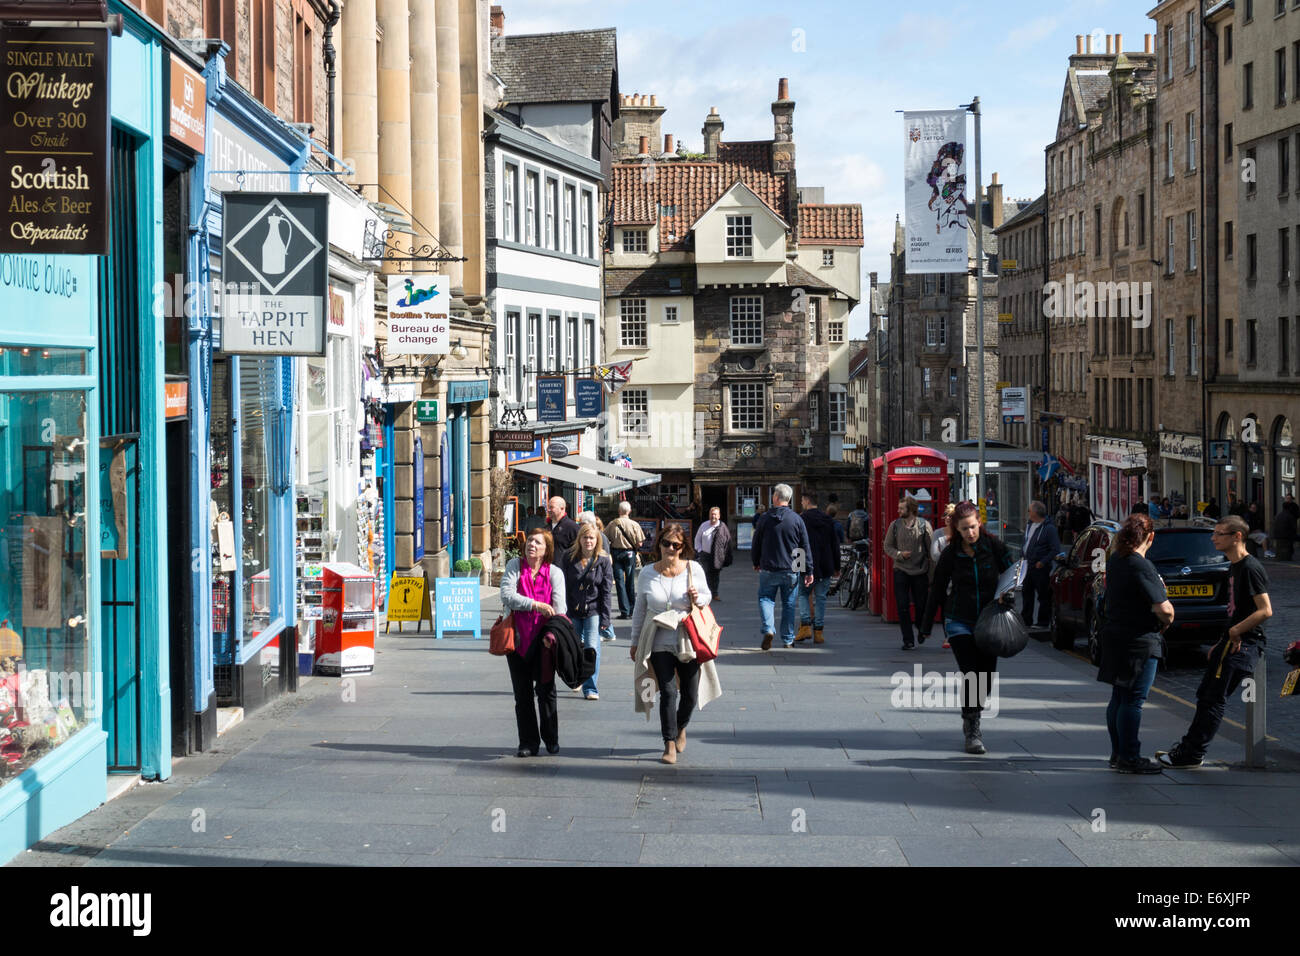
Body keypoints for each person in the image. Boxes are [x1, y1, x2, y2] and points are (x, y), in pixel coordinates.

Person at [1158, 516, 1273, 768]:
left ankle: (1191, 754)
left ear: (1237, 536)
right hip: (1230, 641)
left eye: (1220, 534)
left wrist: (1235, 633)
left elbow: (1265, 610)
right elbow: (1235, 610)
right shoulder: (1234, 566)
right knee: (1207, 696)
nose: (1213, 538)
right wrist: (1221, 640)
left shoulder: (1250, 567)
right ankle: (1189, 749)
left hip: (1243, 643)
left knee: (1212, 699)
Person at [919, 502, 1012, 755]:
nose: (970, 533)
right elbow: (937, 588)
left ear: (979, 522)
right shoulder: (951, 554)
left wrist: (1008, 594)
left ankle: (973, 713)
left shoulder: (994, 547)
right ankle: (973, 728)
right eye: (964, 529)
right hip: (959, 618)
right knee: (971, 672)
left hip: (989, 619)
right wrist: (926, 625)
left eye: (973, 527)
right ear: (956, 529)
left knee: (986, 676)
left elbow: (1013, 573)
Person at [629, 524, 717, 765]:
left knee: (690, 693)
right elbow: (640, 609)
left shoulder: (693, 569)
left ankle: (681, 727)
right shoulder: (647, 572)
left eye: (676, 545)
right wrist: (635, 641)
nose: (670, 548)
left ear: (682, 548)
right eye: (666, 543)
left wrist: (697, 598)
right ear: (659, 545)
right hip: (658, 639)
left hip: (687, 638)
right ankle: (668, 742)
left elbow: (707, 596)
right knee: (668, 692)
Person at [1097, 513, 1175, 774]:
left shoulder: (1117, 559)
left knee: (1119, 697)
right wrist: (1168, 618)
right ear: (1150, 537)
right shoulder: (1140, 565)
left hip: (1115, 635)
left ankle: (1117, 753)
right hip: (1138, 641)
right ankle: (1130, 757)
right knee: (1133, 700)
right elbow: (1165, 610)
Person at [498, 529, 567, 757]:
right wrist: (535, 605)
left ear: (546, 549)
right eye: (529, 542)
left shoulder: (554, 573)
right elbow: (507, 595)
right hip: (517, 640)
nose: (532, 545)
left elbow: (560, 609)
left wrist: (552, 636)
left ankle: (551, 738)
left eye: (538, 543)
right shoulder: (514, 566)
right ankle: (527, 742)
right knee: (522, 695)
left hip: (544, 642)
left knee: (546, 691)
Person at [752, 483, 814, 650]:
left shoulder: (764, 518)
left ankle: (768, 629)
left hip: (768, 568)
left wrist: (756, 562)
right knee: (788, 604)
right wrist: (808, 570)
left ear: (776, 498)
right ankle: (787, 640)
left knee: (765, 599)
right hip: (791, 569)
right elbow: (804, 546)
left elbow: (756, 542)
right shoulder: (797, 519)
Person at [559, 523, 612, 700]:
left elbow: (606, 592)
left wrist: (606, 618)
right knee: (573, 648)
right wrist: (561, 611)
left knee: (591, 648)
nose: (588, 541)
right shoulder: (568, 558)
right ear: (579, 539)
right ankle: (577, 678)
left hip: (593, 611)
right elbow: (562, 586)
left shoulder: (603, 561)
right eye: (585, 537)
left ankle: (591, 688)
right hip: (572, 610)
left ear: (597, 540)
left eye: (591, 538)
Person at [883, 496, 933, 650]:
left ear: (911, 509)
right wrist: (899, 554)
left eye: (901, 508)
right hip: (901, 570)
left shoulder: (924, 526)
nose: (898, 510)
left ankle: (920, 627)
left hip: (920, 571)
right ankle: (908, 640)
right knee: (902, 606)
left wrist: (932, 575)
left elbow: (930, 551)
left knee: (921, 606)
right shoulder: (895, 525)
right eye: (899, 508)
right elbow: (887, 546)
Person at [795, 492, 841, 644]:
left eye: (802, 500)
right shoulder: (828, 520)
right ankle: (819, 632)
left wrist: (797, 566)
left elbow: (797, 544)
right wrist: (837, 566)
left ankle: (806, 626)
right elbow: (835, 544)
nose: (801, 503)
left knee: (803, 594)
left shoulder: (801, 519)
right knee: (821, 598)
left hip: (805, 564)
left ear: (807, 501)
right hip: (825, 564)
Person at [1021, 500, 1061, 630]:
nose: (1028, 512)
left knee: (1043, 595)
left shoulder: (1049, 529)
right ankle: (1026, 619)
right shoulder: (1029, 525)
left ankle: (1043, 621)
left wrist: (1043, 561)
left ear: (1036, 513)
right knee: (1026, 593)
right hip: (1028, 565)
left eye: (1030, 510)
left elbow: (1055, 549)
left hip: (1040, 567)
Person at [607, 502, 645, 619]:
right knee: (630, 581)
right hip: (629, 553)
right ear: (629, 511)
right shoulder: (634, 524)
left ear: (619, 511)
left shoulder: (613, 524)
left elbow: (605, 538)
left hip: (616, 553)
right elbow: (640, 543)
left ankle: (624, 610)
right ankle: (631, 610)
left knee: (619, 582)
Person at [693, 506, 733, 602]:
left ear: (719, 516)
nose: (713, 516)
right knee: (705, 574)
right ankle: (705, 594)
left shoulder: (723, 527)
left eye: (715, 514)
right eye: (711, 514)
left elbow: (728, 542)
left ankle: (714, 594)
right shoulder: (704, 525)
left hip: (717, 555)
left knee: (715, 575)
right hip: (705, 554)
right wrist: (699, 550)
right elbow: (697, 539)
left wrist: (727, 555)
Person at [1273, 496, 1300, 561]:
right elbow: (1293, 528)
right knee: (1295, 538)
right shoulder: (1290, 516)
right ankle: (1289, 553)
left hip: (1277, 535)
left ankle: (1288, 553)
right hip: (1286, 536)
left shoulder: (1279, 515)